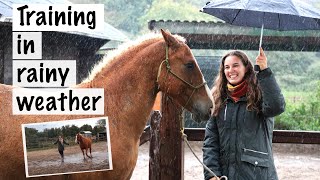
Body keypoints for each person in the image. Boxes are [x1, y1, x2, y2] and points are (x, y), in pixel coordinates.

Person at [203, 48, 285, 180]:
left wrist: (264, 71)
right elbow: (210, 142)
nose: (231, 71)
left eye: (236, 65)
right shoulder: (218, 99)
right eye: (227, 67)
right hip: (225, 175)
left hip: (258, 175)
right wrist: (211, 174)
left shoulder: (260, 93)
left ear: (246, 68)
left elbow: (277, 107)